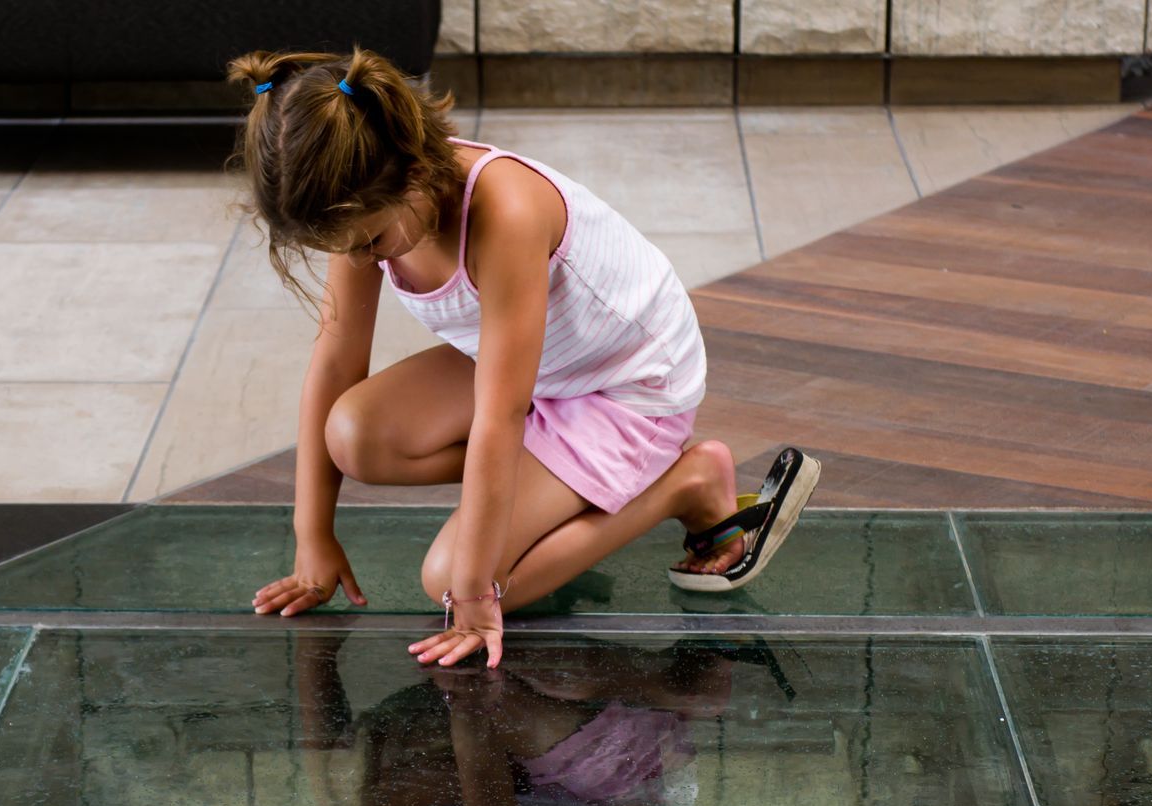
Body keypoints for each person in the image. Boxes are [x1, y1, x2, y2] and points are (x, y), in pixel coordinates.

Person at [233, 46, 820, 668]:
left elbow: (501, 413)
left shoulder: (504, 209)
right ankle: (561, 489)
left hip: (628, 385)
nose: (358, 260)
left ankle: (686, 481)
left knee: (448, 580)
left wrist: (477, 592)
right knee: (355, 436)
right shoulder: (359, 206)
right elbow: (334, 364)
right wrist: (313, 535)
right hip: (544, 367)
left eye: (369, 243)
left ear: (408, 174)